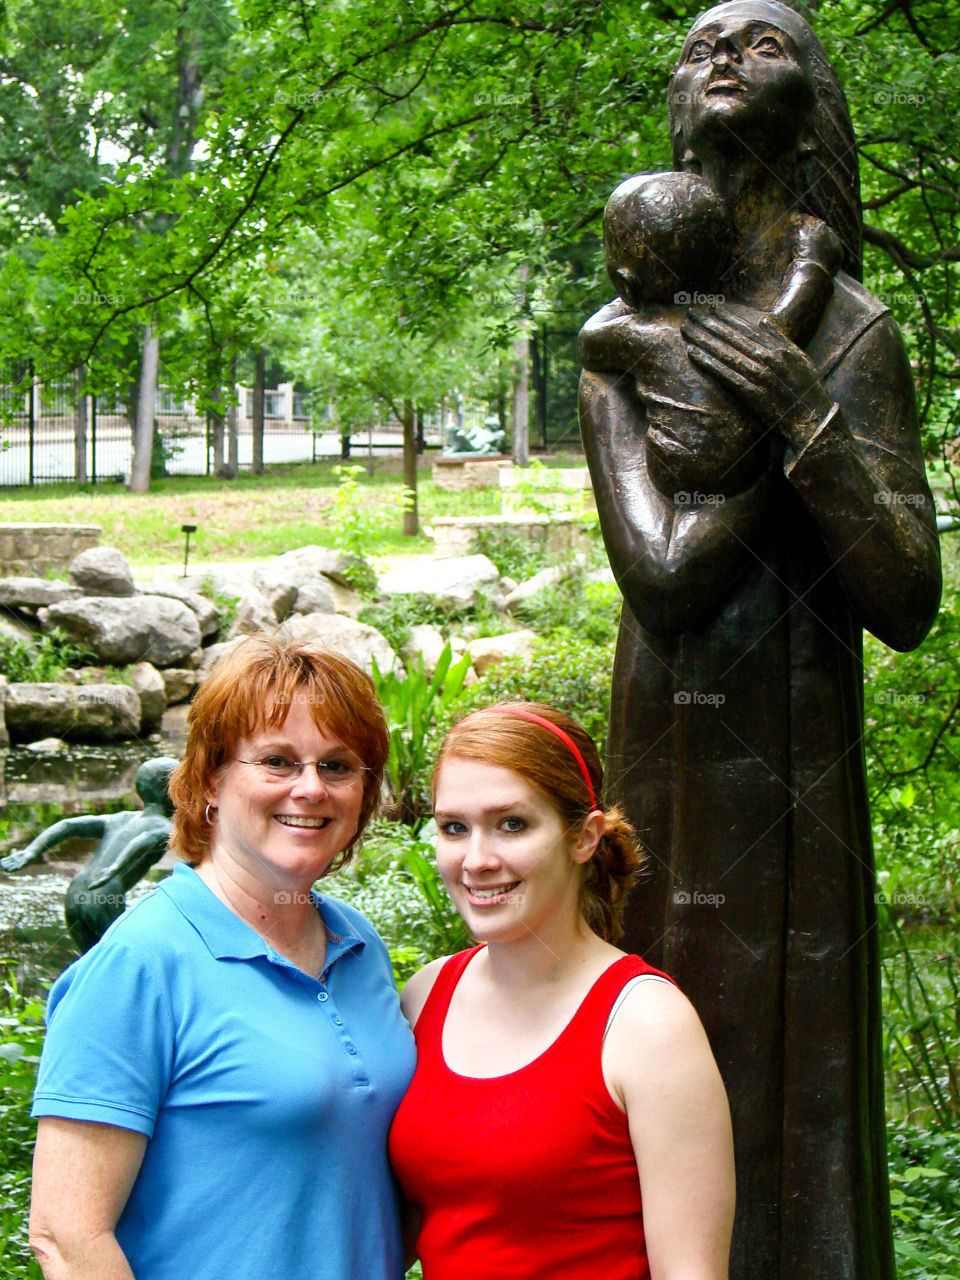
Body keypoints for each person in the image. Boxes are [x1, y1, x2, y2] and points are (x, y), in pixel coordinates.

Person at [577, 3, 941, 1277]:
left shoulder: (854, 331)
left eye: (763, 40)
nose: (723, 53)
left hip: (803, 768)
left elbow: (906, 598)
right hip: (662, 759)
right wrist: (771, 421)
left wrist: (808, 414)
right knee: (651, 1042)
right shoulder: (620, 337)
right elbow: (662, 587)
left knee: (806, 1081)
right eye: (699, 43)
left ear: (814, 107)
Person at [28, 633, 416, 1280]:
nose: (311, 788)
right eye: (277, 761)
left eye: (338, 765)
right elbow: (67, 1237)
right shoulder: (139, 964)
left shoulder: (358, 944)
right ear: (211, 779)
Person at [389, 702, 735, 1280]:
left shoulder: (647, 1025)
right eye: (454, 828)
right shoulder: (426, 995)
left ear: (584, 837)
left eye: (512, 824)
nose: (476, 860)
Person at [583, 169, 841, 500]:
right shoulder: (742, 326)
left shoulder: (637, 335)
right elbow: (791, 321)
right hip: (748, 467)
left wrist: (631, 293)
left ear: (626, 284)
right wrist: (812, 262)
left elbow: (588, 340)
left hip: (675, 473)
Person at [1, 757, 178, 951]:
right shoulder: (165, 826)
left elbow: (67, 825)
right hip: (104, 891)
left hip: (76, 888)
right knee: (116, 959)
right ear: (173, 791)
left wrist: (30, 852)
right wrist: (115, 869)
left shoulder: (120, 818)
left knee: (89, 960)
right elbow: (145, 840)